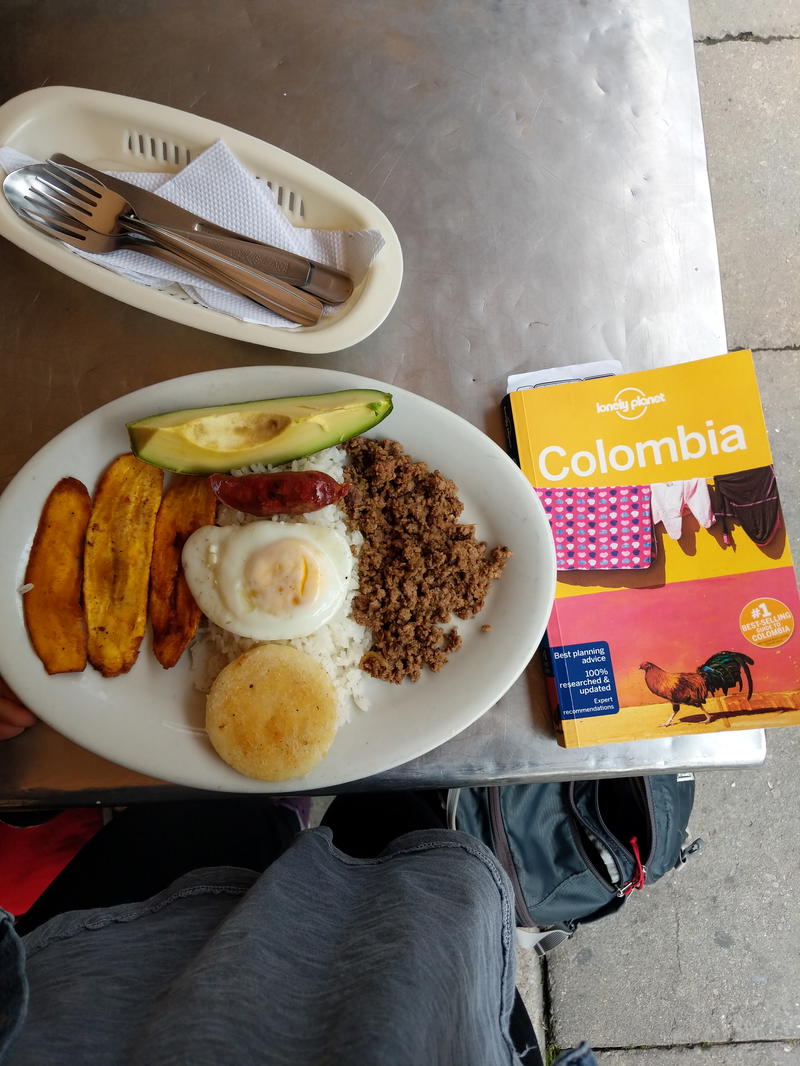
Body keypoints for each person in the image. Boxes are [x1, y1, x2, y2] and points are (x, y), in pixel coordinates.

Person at [0, 685, 596, 1066]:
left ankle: (274, 808)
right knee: (397, 828)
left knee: (211, 817)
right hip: (426, 1001)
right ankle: (290, 809)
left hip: (101, 980)